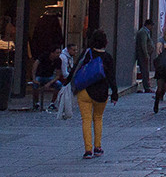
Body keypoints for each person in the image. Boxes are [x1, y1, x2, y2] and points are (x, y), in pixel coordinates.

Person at [70, 30, 118, 159]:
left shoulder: (87, 53)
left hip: (85, 91)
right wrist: (114, 93)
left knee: (86, 120)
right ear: (105, 42)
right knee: (98, 118)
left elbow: (76, 68)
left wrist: (68, 84)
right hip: (101, 92)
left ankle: (88, 150)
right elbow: (112, 77)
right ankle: (98, 147)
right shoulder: (107, 57)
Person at [29, 44, 62, 111]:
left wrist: (50, 83)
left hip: (50, 77)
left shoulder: (58, 60)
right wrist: (34, 78)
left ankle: (52, 103)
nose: (58, 55)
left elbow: (58, 75)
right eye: (57, 53)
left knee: (59, 85)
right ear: (52, 53)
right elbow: (35, 66)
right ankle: (37, 103)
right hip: (40, 76)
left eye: (59, 53)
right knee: (35, 85)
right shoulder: (43, 56)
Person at [134, 18, 156, 93]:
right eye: (151, 26)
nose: (152, 27)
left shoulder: (146, 32)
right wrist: (146, 54)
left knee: (146, 71)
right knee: (145, 71)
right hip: (143, 55)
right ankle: (146, 87)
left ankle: (147, 86)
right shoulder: (143, 32)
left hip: (145, 55)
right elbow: (143, 44)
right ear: (148, 25)